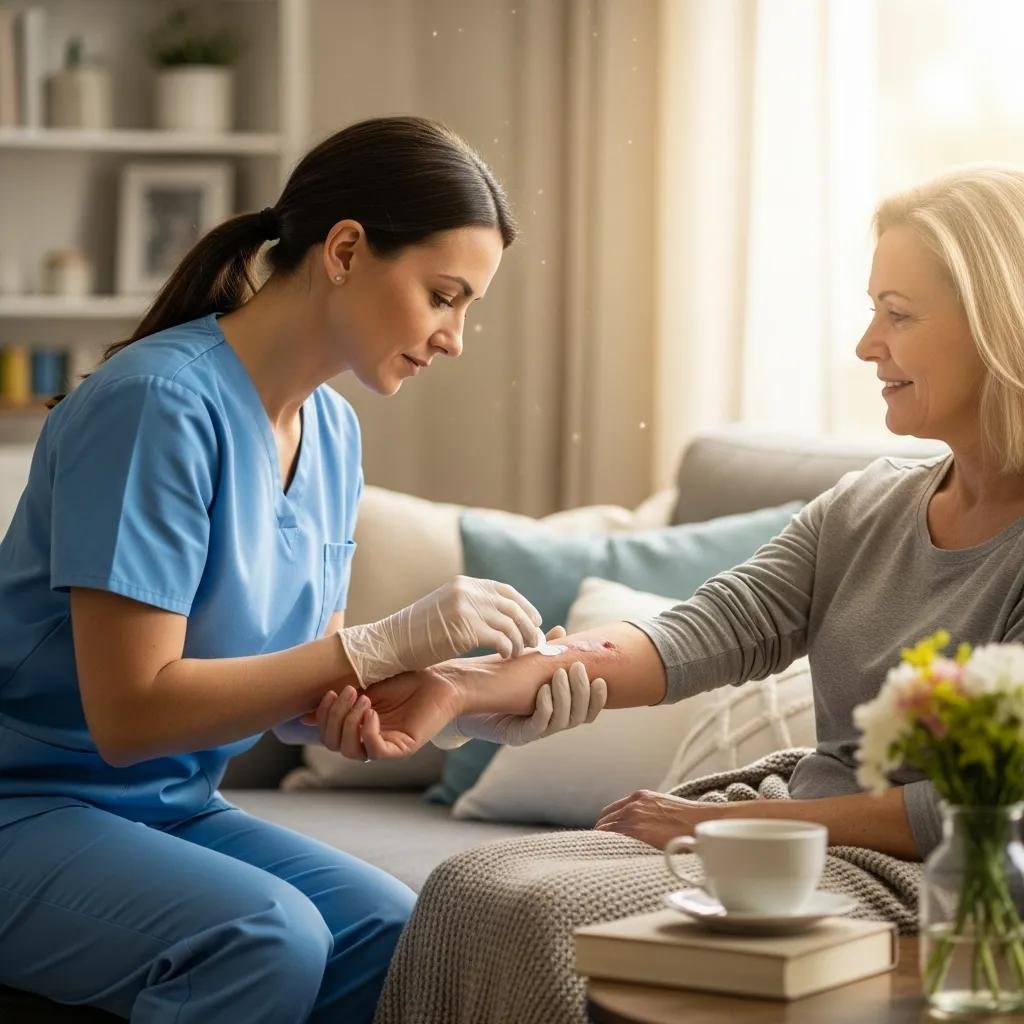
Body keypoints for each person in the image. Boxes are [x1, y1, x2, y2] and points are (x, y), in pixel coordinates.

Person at [0, 115, 606, 1023]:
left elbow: (291, 670)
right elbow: (129, 714)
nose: (455, 337)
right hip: (27, 806)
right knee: (264, 932)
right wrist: (377, 643)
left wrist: (440, 693)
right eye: (444, 296)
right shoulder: (154, 406)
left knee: (399, 934)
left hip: (164, 809)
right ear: (348, 250)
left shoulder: (330, 432)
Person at [315, 163, 1024, 868]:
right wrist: (459, 685)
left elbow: (984, 807)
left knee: (549, 906)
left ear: (1001, 320)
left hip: (933, 878)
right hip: (794, 841)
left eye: (897, 313)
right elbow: (698, 634)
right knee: (485, 882)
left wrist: (737, 824)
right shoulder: (868, 508)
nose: (867, 344)